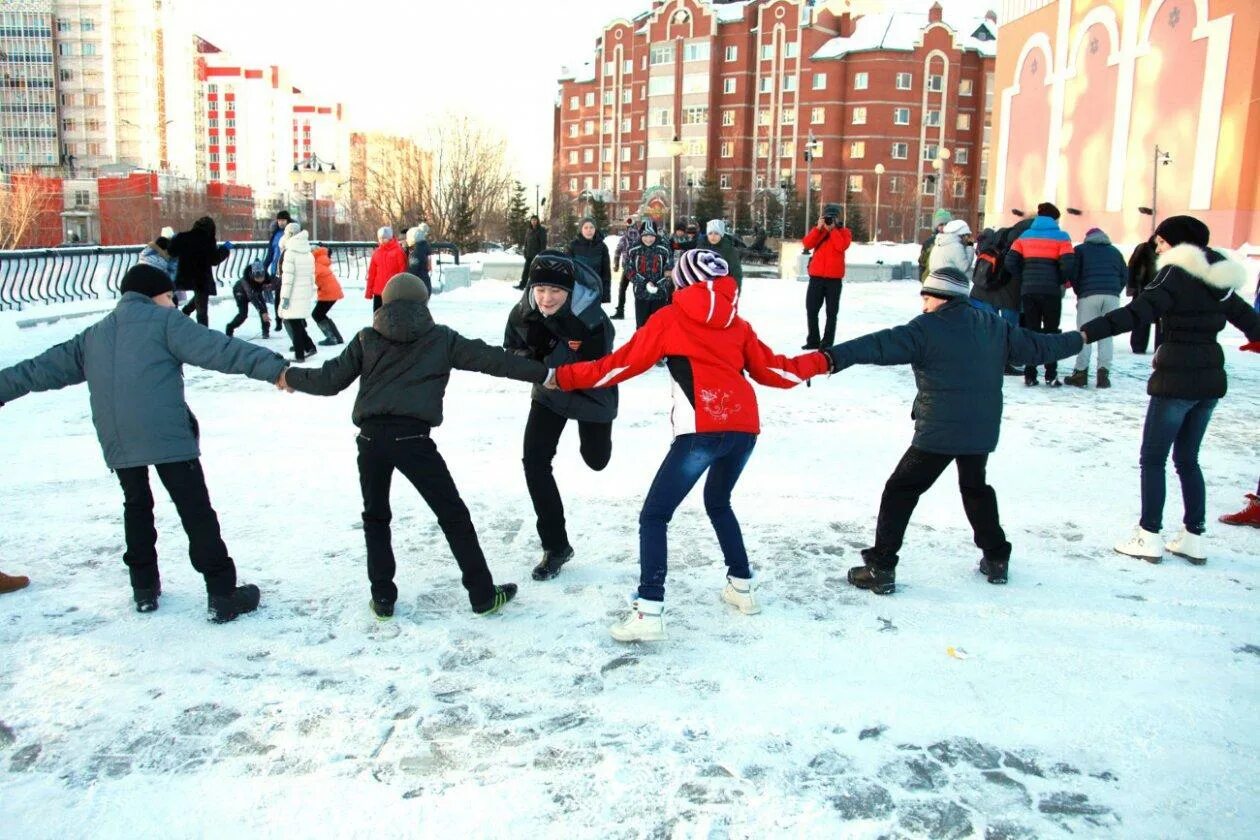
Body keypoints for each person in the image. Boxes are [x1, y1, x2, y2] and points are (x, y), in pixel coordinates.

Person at [547, 249, 830, 642]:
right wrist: (822, 361)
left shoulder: (670, 319)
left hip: (702, 429)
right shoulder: (738, 324)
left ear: (681, 282)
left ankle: (649, 610)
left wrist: (561, 377)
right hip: (743, 429)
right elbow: (775, 370)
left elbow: (619, 366)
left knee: (655, 516)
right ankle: (742, 586)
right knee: (718, 502)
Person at [0, 264, 285, 621]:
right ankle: (222, 592)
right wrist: (275, 368)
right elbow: (220, 349)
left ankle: (144, 588)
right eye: (170, 297)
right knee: (194, 508)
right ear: (155, 295)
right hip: (166, 435)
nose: (173, 303)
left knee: (136, 505)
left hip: (118, 438)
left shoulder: (94, 335)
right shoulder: (166, 323)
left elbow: (38, 368)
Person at [279, 273, 545, 619]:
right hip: (413, 440)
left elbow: (330, 379)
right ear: (424, 304)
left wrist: (289, 376)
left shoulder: (367, 339)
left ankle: (383, 598)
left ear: (385, 303)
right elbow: (494, 360)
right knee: (453, 515)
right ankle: (481, 594)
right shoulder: (441, 339)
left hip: (371, 440)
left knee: (376, 517)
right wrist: (545, 373)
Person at [823, 267, 1085, 595]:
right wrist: (1080, 338)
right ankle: (996, 557)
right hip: (981, 430)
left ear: (941, 296)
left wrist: (834, 357)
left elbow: (879, 344)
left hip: (940, 432)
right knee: (975, 488)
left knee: (900, 490)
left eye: (927, 297)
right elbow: (1042, 347)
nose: (923, 305)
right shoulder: (995, 326)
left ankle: (881, 567)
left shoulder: (926, 329)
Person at [1080, 215, 1260, 565]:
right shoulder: (1219, 278)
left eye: (1161, 241)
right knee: (1188, 459)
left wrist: (1087, 333)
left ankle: (1148, 534)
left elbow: (1138, 313)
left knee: (1153, 457)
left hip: (1176, 376)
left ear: (1177, 242)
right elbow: (1250, 320)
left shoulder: (1175, 273)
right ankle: (1194, 536)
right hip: (1210, 379)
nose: (1157, 247)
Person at [504, 251, 618, 581]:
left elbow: (600, 368)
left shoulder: (592, 319)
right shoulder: (523, 313)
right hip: (549, 396)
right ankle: (556, 546)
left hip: (592, 396)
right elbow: (510, 349)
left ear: (569, 291)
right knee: (534, 461)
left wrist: (560, 358)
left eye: (555, 291)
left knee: (596, 460)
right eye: (540, 289)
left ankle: (597, 444)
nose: (547, 298)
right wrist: (534, 359)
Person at [1004, 202, 1075, 386]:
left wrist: (1025, 276)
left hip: (1029, 291)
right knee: (1051, 332)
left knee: (1030, 330)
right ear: (1054, 218)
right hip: (1051, 292)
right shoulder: (1062, 237)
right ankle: (1051, 374)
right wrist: (1058, 278)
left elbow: (1010, 262)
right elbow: (1068, 264)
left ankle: (1030, 374)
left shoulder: (1024, 236)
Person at [1064, 226, 1127, 388]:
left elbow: (1074, 274)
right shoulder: (1115, 251)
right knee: (1107, 334)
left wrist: (1080, 292)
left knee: (1085, 334)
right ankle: (1103, 374)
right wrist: (1115, 291)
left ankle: (1080, 373)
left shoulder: (1080, 250)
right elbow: (1124, 274)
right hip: (1112, 296)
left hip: (1089, 295)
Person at [801, 202, 853, 349]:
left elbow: (841, 246)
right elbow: (807, 244)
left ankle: (827, 342)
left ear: (838, 219)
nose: (829, 220)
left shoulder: (845, 232)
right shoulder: (819, 232)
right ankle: (813, 340)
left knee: (831, 312)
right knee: (811, 309)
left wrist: (833, 230)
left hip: (834, 280)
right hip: (816, 278)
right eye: (827, 217)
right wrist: (818, 228)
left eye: (832, 217)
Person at [168, 216, 231, 327]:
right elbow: (214, 260)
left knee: (173, 297)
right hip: (201, 277)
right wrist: (225, 249)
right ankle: (203, 332)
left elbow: (171, 251)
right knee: (202, 308)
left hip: (184, 274)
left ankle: (180, 317)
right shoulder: (208, 241)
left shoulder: (183, 236)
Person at [623, 221, 673, 330]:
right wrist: (645, 283)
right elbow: (628, 269)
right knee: (642, 327)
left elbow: (669, 270)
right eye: (645, 235)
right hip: (641, 294)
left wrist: (658, 284)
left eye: (651, 235)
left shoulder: (664, 249)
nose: (648, 239)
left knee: (659, 326)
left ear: (656, 235)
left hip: (660, 295)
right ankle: (642, 346)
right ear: (641, 235)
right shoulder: (633, 249)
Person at [278, 223, 317, 362]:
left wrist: (285, 298)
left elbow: (288, 279)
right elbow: (312, 275)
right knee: (297, 323)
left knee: (294, 324)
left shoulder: (289, 253)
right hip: (304, 291)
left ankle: (300, 355)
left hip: (293, 292)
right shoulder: (307, 252)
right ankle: (310, 346)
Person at [1126, 238, 1160, 354]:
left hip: (1161, 289)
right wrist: (1132, 286)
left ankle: (1160, 348)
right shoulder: (1143, 248)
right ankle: (1138, 346)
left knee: (1162, 320)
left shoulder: (1171, 250)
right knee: (1141, 317)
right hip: (1143, 288)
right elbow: (1132, 266)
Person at [225, 260, 274, 339]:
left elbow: (274, 283)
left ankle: (265, 331)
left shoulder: (266, 277)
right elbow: (252, 297)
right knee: (243, 314)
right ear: (252, 275)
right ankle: (229, 328)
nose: (260, 280)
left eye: (262, 278)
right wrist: (262, 311)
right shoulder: (246, 281)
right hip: (240, 292)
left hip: (255, 292)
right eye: (257, 278)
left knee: (264, 309)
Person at [569, 217, 612, 304]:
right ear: (581, 229)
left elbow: (606, 272)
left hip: (596, 289)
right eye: (586, 227)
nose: (589, 230)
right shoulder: (573, 246)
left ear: (595, 229)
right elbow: (568, 269)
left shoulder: (602, 247)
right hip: (578, 290)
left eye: (591, 227)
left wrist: (605, 293)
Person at [365, 227, 407, 312]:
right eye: (380, 238)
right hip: (378, 292)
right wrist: (369, 291)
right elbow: (372, 273)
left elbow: (403, 271)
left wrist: (400, 289)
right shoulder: (377, 252)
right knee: (377, 316)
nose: (382, 240)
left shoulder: (398, 251)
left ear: (390, 238)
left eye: (384, 238)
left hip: (392, 292)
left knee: (392, 317)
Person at [311, 243, 345, 346]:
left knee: (317, 314)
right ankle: (337, 337)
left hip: (328, 292)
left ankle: (331, 337)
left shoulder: (316, 264)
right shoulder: (321, 261)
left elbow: (310, 280)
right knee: (321, 314)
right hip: (332, 291)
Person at [264, 210, 291, 325]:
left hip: (287, 269)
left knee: (287, 295)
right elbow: (271, 252)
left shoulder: (292, 233)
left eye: (283, 220)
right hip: (275, 270)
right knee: (278, 296)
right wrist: (265, 266)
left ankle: (294, 320)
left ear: (287, 221)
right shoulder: (275, 234)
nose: (281, 223)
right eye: (279, 220)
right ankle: (278, 320)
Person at [611, 216, 641, 319]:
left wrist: (616, 264)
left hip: (628, 267)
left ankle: (620, 311)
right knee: (637, 290)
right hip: (638, 268)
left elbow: (617, 251)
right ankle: (640, 311)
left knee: (622, 289)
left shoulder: (625, 237)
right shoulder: (640, 237)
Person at [704, 220, 744, 290]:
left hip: (723, 289)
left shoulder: (729, 251)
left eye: (716, 233)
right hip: (704, 289)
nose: (713, 236)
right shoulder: (702, 248)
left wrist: (736, 292)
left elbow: (737, 274)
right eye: (710, 233)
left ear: (721, 234)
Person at [917, 209, 952, 281]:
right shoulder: (929, 243)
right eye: (941, 224)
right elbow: (922, 263)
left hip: (948, 281)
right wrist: (922, 278)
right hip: (930, 280)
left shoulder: (954, 242)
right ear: (937, 226)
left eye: (946, 224)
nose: (944, 227)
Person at [516, 214, 548, 291]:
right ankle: (522, 285)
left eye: (535, 220)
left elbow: (543, 244)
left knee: (536, 271)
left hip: (537, 255)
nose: (533, 221)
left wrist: (541, 255)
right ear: (530, 221)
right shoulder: (528, 230)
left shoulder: (541, 230)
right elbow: (526, 242)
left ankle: (535, 287)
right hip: (529, 255)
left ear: (537, 221)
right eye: (532, 220)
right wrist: (525, 252)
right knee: (526, 271)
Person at [405, 225, 433, 293]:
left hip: (417, 286)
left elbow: (413, 269)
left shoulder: (415, 252)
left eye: (407, 238)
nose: (406, 240)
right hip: (425, 283)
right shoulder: (424, 247)